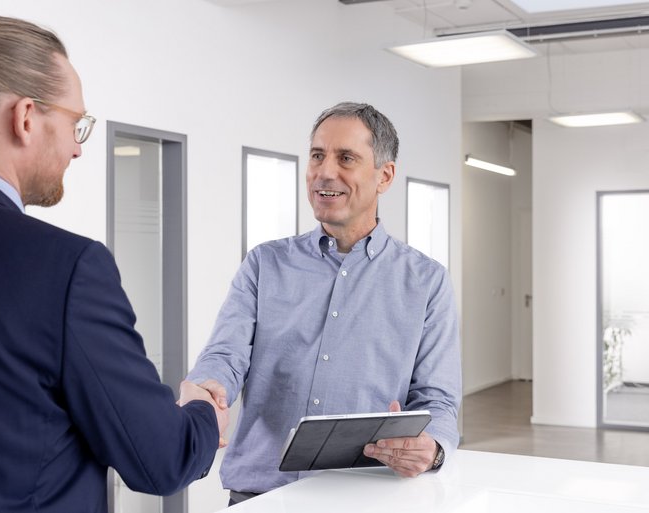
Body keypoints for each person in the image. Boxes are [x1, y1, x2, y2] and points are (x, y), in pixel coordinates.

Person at [0, 16, 227, 513]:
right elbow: (162, 459)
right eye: (74, 124)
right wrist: (202, 410)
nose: (77, 148)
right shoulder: (67, 269)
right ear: (25, 117)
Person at [185, 102, 461, 505]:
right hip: (260, 494)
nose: (324, 172)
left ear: (384, 176)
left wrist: (432, 448)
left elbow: (438, 399)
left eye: (345, 158)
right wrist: (209, 390)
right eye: (317, 155)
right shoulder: (264, 264)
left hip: (367, 497)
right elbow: (225, 355)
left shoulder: (427, 281)